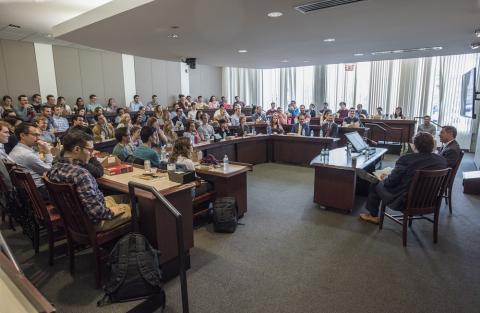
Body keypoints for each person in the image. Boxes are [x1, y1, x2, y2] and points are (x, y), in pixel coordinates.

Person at [47, 131, 131, 231]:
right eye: (90, 150)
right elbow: (98, 213)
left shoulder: (53, 168)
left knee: (127, 198)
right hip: (93, 222)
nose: (91, 153)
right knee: (138, 207)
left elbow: (53, 202)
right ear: (77, 149)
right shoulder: (82, 174)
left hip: (73, 219)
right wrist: (118, 209)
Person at [359, 132, 447, 224]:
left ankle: (373, 216)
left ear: (415, 145)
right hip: (430, 200)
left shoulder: (406, 159)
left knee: (375, 184)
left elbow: (391, 182)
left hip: (404, 201)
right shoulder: (442, 161)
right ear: (433, 145)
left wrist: (385, 177)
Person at [9, 122, 53, 193]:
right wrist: (47, 151)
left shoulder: (17, 148)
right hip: (38, 190)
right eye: (35, 135)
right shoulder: (27, 154)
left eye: (39, 135)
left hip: (27, 190)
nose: (38, 138)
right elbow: (49, 170)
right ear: (23, 135)